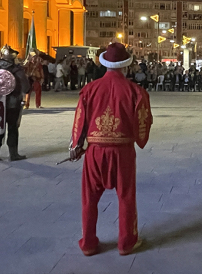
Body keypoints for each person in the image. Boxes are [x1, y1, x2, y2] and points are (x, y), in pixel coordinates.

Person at [68, 43, 152, 256]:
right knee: (126, 196)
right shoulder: (136, 91)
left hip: (95, 151)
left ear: (105, 63)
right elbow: (143, 122)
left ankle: (88, 243)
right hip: (122, 151)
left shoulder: (90, 88)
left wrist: (76, 145)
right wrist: (137, 138)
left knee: (90, 198)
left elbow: (79, 120)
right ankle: (126, 242)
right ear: (126, 65)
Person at [0, 45, 30, 162]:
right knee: (13, 128)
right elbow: (26, 87)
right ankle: (13, 154)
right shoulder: (17, 69)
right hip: (13, 104)